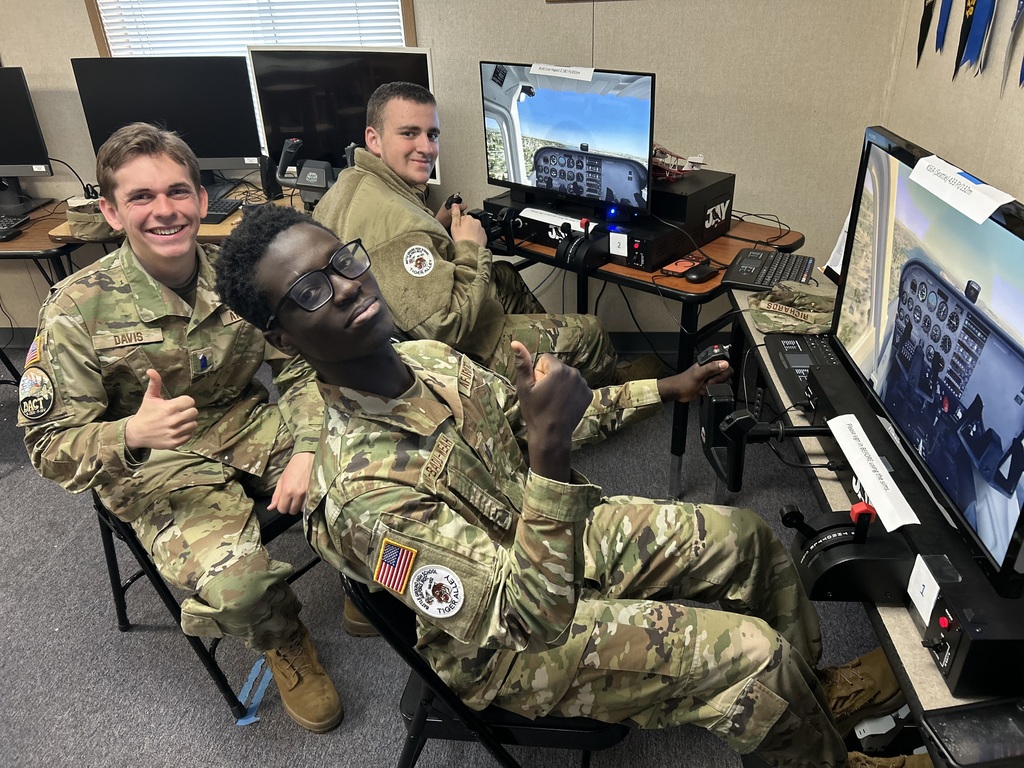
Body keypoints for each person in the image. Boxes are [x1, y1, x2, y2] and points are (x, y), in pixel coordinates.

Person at [214, 203, 930, 768]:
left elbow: (535, 423)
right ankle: (820, 753)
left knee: (750, 542)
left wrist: (664, 387)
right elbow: (522, 616)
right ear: (284, 341)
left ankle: (812, 702)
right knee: (752, 659)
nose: (345, 285)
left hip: (546, 540)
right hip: (505, 645)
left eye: (341, 260)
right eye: (310, 291)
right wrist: (550, 456)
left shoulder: (427, 358)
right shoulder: (360, 492)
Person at [17, 123, 342, 733]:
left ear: (199, 197)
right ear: (111, 211)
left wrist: (306, 448)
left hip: (244, 421)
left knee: (359, 483)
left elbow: (301, 367)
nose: (164, 210)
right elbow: (47, 447)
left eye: (176, 191)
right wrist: (130, 434)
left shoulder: (239, 276)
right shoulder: (73, 307)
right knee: (241, 589)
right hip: (151, 465)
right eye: (141, 197)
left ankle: (354, 576)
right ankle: (284, 637)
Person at [312, 81, 661, 387]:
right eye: (409, 133)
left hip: (393, 333)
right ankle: (605, 391)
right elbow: (444, 328)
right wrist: (468, 247)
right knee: (591, 330)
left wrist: (438, 224)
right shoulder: (397, 222)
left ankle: (545, 366)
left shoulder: (352, 184)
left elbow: (401, 255)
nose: (427, 148)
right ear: (374, 139)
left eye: (431, 135)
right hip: (448, 355)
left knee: (504, 276)